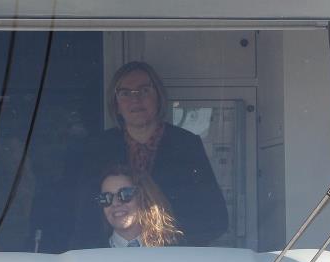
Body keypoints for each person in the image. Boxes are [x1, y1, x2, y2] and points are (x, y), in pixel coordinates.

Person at [65, 61, 228, 250]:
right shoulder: (99, 148)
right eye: (125, 93)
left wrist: (175, 249)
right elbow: (84, 220)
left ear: (158, 97)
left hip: (173, 261)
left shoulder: (186, 144)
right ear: (115, 104)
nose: (135, 100)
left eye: (144, 90)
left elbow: (216, 219)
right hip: (111, 260)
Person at [95, 165, 182, 248]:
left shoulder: (174, 249)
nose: (115, 203)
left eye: (125, 194)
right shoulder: (89, 254)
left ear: (143, 197)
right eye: (106, 197)